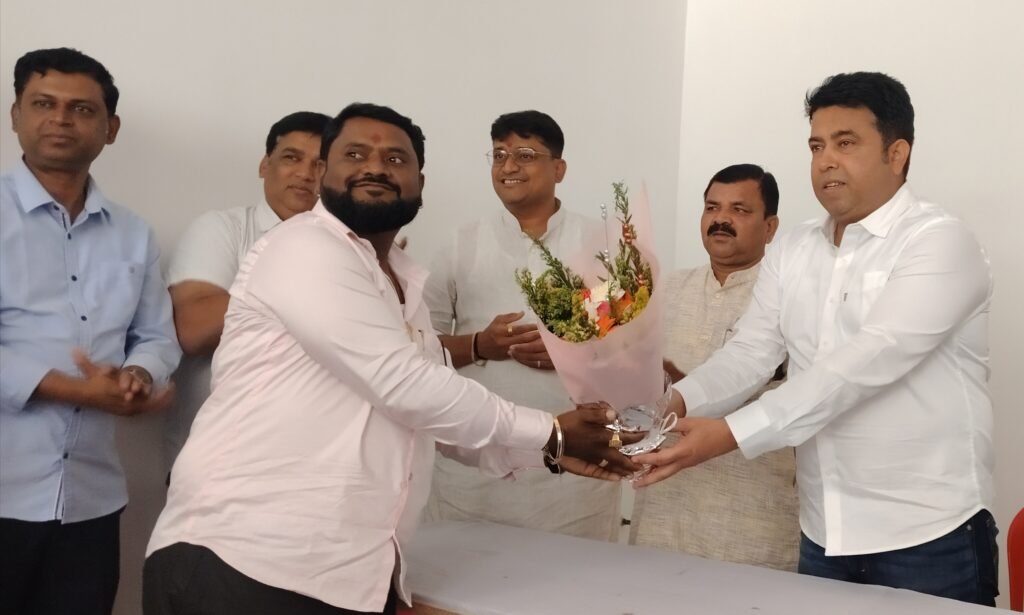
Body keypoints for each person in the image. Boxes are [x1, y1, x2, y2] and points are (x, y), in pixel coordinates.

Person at [142, 103, 638, 615]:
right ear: (324, 172)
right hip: (247, 561)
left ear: (419, 182)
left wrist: (550, 451)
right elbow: (403, 384)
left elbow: (425, 413)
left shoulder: (402, 282)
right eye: (355, 154)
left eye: (396, 159)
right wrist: (549, 433)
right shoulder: (303, 247)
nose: (375, 167)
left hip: (349, 573)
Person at [635, 72, 997, 605]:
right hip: (822, 529)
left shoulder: (939, 242)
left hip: (928, 532)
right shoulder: (795, 247)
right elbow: (751, 352)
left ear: (897, 154)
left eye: (845, 143)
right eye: (816, 146)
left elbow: (862, 365)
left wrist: (729, 433)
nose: (825, 160)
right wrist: (669, 404)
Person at [0, 47, 180, 614]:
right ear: (16, 116)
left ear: (110, 128)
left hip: (90, 501)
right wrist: (75, 390)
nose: (60, 119)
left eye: (81, 108)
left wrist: (137, 376)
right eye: (43, 104)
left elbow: (156, 337)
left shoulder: (133, 233)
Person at [423, 110, 620, 540]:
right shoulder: (460, 244)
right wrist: (479, 344)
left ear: (559, 169)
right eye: (499, 155)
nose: (508, 166)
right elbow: (420, 350)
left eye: (525, 154)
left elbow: (634, 351)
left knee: (576, 579)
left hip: (574, 477)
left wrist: (570, 352)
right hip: (474, 472)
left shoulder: (604, 244)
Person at [630, 164, 799, 570]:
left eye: (740, 210)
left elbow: (791, 399)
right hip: (663, 506)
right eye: (712, 207)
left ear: (770, 227)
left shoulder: (791, 298)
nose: (721, 219)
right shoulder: (662, 290)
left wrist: (677, 388)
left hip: (752, 515)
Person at [163, 110, 329, 473]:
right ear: (264, 166)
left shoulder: (352, 249)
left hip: (313, 466)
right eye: (291, 158)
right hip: (218, 466)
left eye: (320, 165)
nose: (305, 174)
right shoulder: (223, 229)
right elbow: (193, 329)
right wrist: (308, 281)